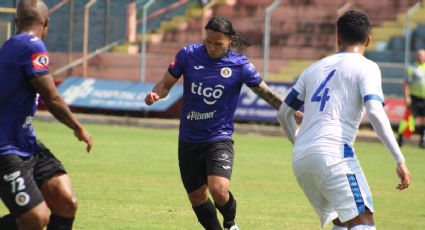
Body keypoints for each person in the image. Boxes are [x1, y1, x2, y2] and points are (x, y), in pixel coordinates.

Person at [145, 16, 287, 230]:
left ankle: (230, 223)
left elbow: (266, 94)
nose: (211, 47)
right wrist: (156, 94)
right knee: (196, 196)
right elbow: (165, 84)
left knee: (218, 189)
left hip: (218, 137)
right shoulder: (188, 55)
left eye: (217, 43)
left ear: (230, 40)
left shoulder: (240, 66)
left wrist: (292, 111)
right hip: (189, 138)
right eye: (208, 42)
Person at [277, 10, 411, 230]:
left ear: (338, 38)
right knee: (363, 220)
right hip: (334, 155)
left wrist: (300, 140)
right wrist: (399, 159)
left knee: (342, 219)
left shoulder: (313, 68)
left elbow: (283, 113)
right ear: (368, 40)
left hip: (301, 160)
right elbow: (375, 112)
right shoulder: (366, 67)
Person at [0, 0, 93, 230]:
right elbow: (51, 98)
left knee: (65, 201)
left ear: (16, 22)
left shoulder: (11, 45)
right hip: (5, 149)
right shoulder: (34, 46)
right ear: (46, 23)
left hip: (27, 143)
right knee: (35, 219)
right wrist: (77, 126)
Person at [398, 49, 425, 148]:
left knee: (423, 120)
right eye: (419, 55)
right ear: (416, 56)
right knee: (409, 119)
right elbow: (406, 83)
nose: (420, 57)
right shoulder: (412, 68)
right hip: (414, 98)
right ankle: (400, 138)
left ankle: (422, 141)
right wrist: (407, 96)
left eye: (422, 55)